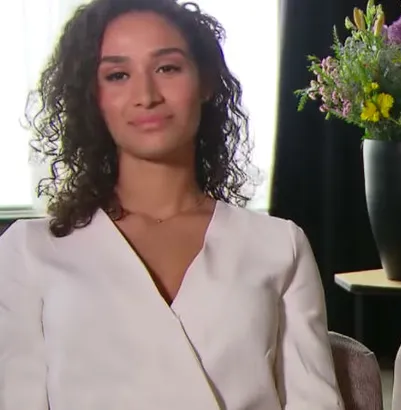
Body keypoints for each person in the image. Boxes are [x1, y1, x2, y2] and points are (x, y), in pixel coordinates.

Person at [0, 0, 344, 409]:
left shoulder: (279, 245)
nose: (146, 96)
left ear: (206, 82)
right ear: (93, 97)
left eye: (167, 68)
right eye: (118, 75)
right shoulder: (29, 250)